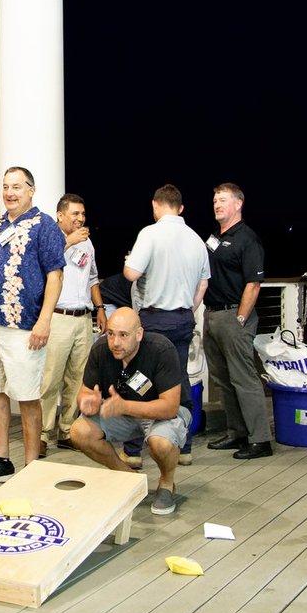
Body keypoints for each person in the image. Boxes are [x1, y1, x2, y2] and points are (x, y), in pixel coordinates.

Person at [0, 166, 66, 485]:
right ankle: (1, 460)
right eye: (6, 187)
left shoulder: (44, 225)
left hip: (24, 325)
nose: (9, 193)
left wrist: (45, 321)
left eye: (17, 187)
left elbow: (55, 276)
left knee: (27, 395)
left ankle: (32, 467)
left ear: (31, 191)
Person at [70, 308, 191, 515]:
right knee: (79, 431)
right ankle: (127, 476)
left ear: (139, 334)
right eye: (111, 334)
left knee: (161, 443)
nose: (115, 342)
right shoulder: (100, 350)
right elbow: (85, 392)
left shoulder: (161, 350)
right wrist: (86, 402)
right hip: (121, 414)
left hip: (162, 414)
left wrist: (125, 406)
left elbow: (170, 407)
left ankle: (166, 484)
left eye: (123, 335)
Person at [123, 184, 210, 467]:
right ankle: (183, 448)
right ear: (181, 208)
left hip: (154, 318)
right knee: (180, 380)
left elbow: (131, 273)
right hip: (183, 318)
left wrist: (130, 262)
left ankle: (133, 451)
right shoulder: (196, 239)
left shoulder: (150, 233)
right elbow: (203, 285)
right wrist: (187, 310)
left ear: (155, 205)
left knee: (140, 380)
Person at [203, 183, 272, 459]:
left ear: (238, 204)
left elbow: (253, 284)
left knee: (244, 379)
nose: (217, 205)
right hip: (212, 314)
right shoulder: (214, 237)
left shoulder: (247, 239)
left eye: (223, 200)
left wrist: (240, 318)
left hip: (234, 315)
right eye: (215, 200)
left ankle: (260, 440)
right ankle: (237, 433)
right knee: (222, 379)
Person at [38, 194, 106, 455]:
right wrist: (68, 242)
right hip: (58, 317)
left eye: (83, 214)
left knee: (77, 379)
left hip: (83, 318)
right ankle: (42, 433)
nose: (80, 219)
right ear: (60, 215)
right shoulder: (50, 238)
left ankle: (66, 431)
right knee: (50, 379)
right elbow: (41, 267)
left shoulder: (87, 243)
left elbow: (93, 278)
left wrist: (100, 309)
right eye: (75, 214)